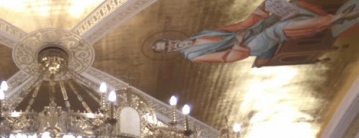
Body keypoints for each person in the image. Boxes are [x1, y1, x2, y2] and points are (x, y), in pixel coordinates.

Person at [151, 0, 359, 64]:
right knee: (276, 30)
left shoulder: (199, 34)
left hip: (247, 33)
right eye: (167, 49)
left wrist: (258, 12)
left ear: (170, 39)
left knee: (278, 10)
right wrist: (238, 44)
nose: (171, 46)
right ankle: (334, 20)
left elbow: (238, 26)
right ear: (169, 52)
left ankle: (327, 20)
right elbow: (225, 57)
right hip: (248, 47)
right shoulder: (193, 56)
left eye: (167, 42)